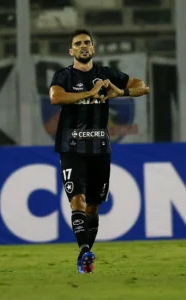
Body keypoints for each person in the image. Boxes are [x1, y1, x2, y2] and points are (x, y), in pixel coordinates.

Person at [49, 29, 150, 274]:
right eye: (78, 43)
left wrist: (121, 92)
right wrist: (89, 93)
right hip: (71, 146)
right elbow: (55, 97)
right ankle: (85, 251)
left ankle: (85, 254)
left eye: (87, 42)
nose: (83, 46)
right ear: (71, 51)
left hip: (100, 147)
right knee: (78, 201)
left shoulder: (106, 74)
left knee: (93, 206)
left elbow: (142, 87)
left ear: (93, 48)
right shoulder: (63, 75)